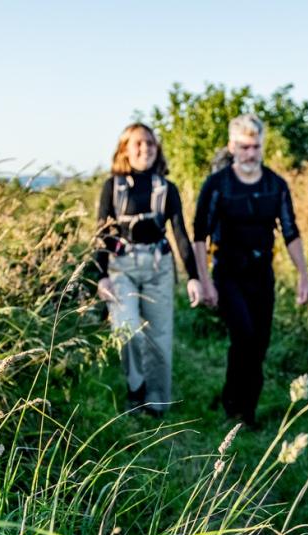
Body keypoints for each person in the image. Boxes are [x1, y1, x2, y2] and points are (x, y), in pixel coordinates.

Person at [193, 114, 308, 427]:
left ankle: (248, 411)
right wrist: (205, 282)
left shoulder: (276, 185)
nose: (250, 153)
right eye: (244, 146)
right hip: (227, 274)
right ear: (232, 146)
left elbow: (290, 230)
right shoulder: (217, 186)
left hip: (262, 274)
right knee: (243, 336)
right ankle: (232, 405)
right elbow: (199, 234)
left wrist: (303, 274)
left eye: (255, 146)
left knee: (259, 343)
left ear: (262, 147)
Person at [96, 123, 202, 416]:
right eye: (138, 144)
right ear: (125, 150)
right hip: (122, 267)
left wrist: (193, 277)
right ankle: (135, 389)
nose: (145, 149)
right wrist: (101, 275)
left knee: (159, 335)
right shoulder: (112, 187)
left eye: (151, 144)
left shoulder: (167, 188)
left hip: (159, 266)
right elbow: (102, 233)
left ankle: (156, 402)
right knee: (127, 328)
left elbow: (181, 233)